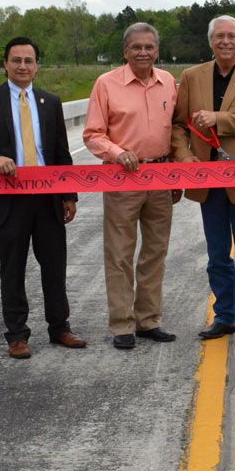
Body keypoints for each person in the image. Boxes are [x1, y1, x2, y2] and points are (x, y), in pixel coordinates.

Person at [0, 36, 86, 359]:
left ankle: (60, 328)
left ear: (37, 66)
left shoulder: (51, 101)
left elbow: (60, 152)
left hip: (47, 200)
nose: (22, 66)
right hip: (9, 200)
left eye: (28, 61)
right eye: (16, 60)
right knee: (12, 269)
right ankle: (17, 335)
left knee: (54, 266)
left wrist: (69, 194)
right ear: (5, 64)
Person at [171, 15, 235, 350]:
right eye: (219, 36)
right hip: (207, 180)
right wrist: (185, 159)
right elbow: (178, 125)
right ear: (210, 41)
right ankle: (224, 316)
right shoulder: (191, 77)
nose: (225, 41)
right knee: (217, 254)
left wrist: (219, 119)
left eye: (231, 36)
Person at [83, 22, 180, 350]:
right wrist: (117, 152)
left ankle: (148, 319)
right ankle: (122, 324)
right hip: (122, 178)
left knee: (155, 252)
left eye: (149, 47)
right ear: (125, 51)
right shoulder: (106, 84)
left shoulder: (168, 82)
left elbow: (176, 130)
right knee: (120, 253)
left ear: (157, 51)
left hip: (161, 177)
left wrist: (177, 176)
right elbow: (93, 134)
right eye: (136, 47)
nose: (143, 52)